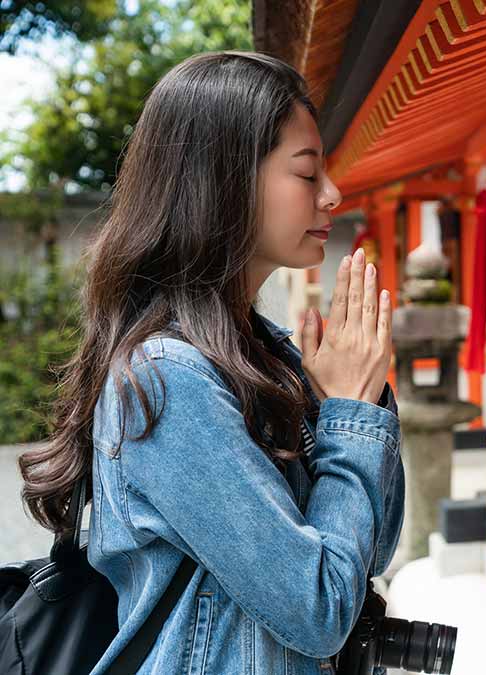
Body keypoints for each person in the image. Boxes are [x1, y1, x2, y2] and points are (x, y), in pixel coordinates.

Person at [17, 51, 404, 673]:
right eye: (307, 174)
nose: (332, 195)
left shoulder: (270, 353)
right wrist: (352, 416)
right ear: (226, 182)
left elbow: (371, 550)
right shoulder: (166, 376)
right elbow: (318, 611)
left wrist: (357, 402)